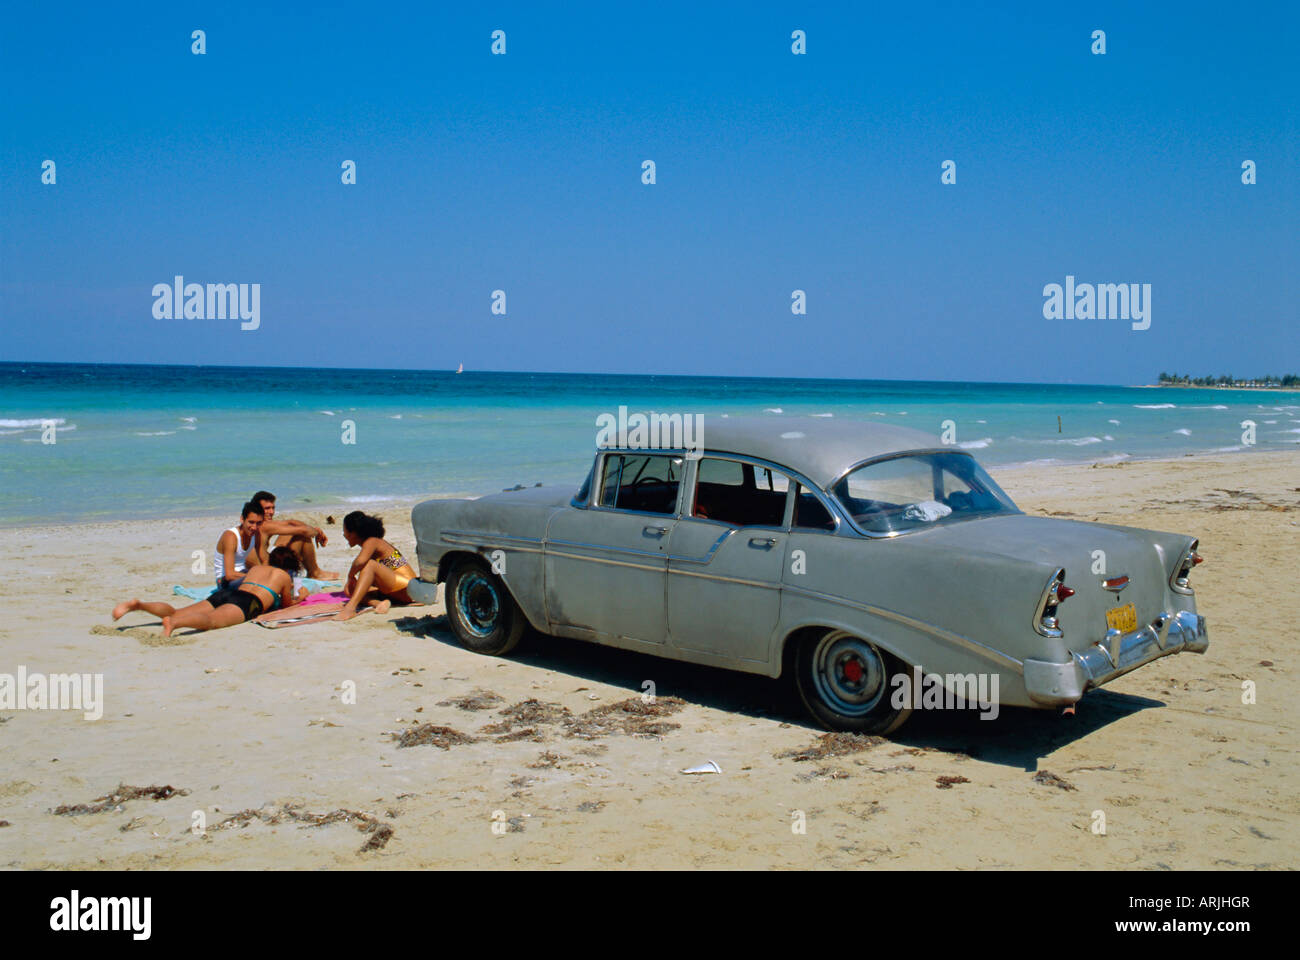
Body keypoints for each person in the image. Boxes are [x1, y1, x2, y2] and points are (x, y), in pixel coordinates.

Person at [113, 547, 305, 637]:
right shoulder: (284, 577)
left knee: (176, 610)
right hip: (247, 602)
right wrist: (301, 598)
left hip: (227, 594)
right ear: (289, 567)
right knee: (212, 621)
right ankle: (175, 624)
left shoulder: (256, 569)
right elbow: (286, 605)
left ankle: (139, 605)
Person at [335, 511, 418, 621]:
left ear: (353, 532)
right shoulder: (373, 544)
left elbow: (360, 562)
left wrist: (350, 577)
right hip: (398, 589)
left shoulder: (372, 541)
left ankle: (350, 609)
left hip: (408, 587)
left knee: (369, 565)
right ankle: (378, 603)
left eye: (344, 530)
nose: (343, 534)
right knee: (352, 591)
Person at [249, 490, 340, 580]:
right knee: (302, 536)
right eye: (267, 508)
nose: (271, 512)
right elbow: (304, 531)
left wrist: (313, 529)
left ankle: (314, 572)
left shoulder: (257, 523)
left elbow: (291, 522)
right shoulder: (264, 525)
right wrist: (317, 533)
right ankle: (315, 572)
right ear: (257, 509)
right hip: (268, 572)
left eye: (273, 508)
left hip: (266, 564)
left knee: (290, 533)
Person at [214, 501, 265, 588]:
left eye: (258, 523)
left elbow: (263, 559)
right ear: (242, 519)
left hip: (243, 572)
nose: (254, 527)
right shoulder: (231, 536)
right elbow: (229, 575)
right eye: (251, 522)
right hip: (225, 580)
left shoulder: (256, 534)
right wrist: (256, 578)